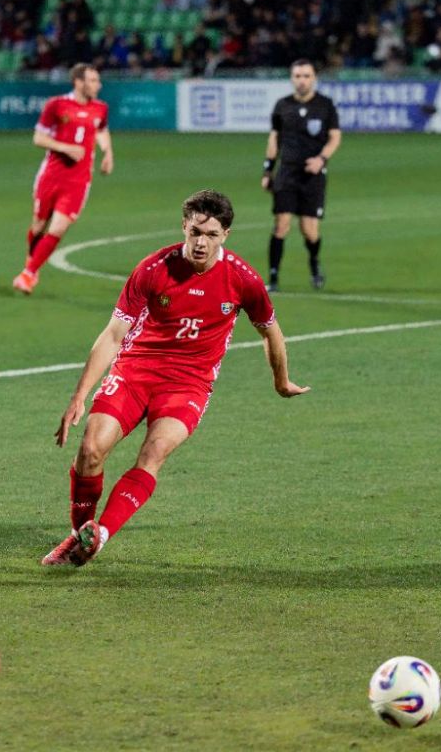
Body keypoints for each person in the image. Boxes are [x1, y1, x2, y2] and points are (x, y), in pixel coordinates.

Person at [41, 190, 309, 567]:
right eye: (195, 231)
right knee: (90, 450)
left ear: (226, 235)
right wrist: (79, 395)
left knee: (154, 452)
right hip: (136, 371)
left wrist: (281, 381)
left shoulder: (243, 279)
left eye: (211, 235)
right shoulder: (153, 269)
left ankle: (100, 535)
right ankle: (78, 535)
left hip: (189, 384)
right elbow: (114, 335)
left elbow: (271, 333)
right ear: (184, 226)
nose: (201, 243)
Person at [13, 63, 114, 295]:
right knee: (39, 225)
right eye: (93, 80)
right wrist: (66, 148)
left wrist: (108, 152)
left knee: (58, 228)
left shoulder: (101, 108)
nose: (98, 85)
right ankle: (32, 261)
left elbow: (101, 129)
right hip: (51, 175)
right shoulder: (56, 105)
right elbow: (38, 138)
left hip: (79, 181)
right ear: (78, 82)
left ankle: (28, 274)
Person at [261, 59, 341, 292]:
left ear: (314, 78)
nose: (302, 80)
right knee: (281, 225)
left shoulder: (325, 105)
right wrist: (267, 170)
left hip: (313, 176)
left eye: (306, 76)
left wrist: (321, 159)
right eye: (297, 76)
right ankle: (273, 278)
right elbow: (274, 139)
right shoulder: (282, 105)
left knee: (309, 230)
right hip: (286, 173)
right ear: (292, 78)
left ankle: (314, 262)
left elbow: (335, 137)